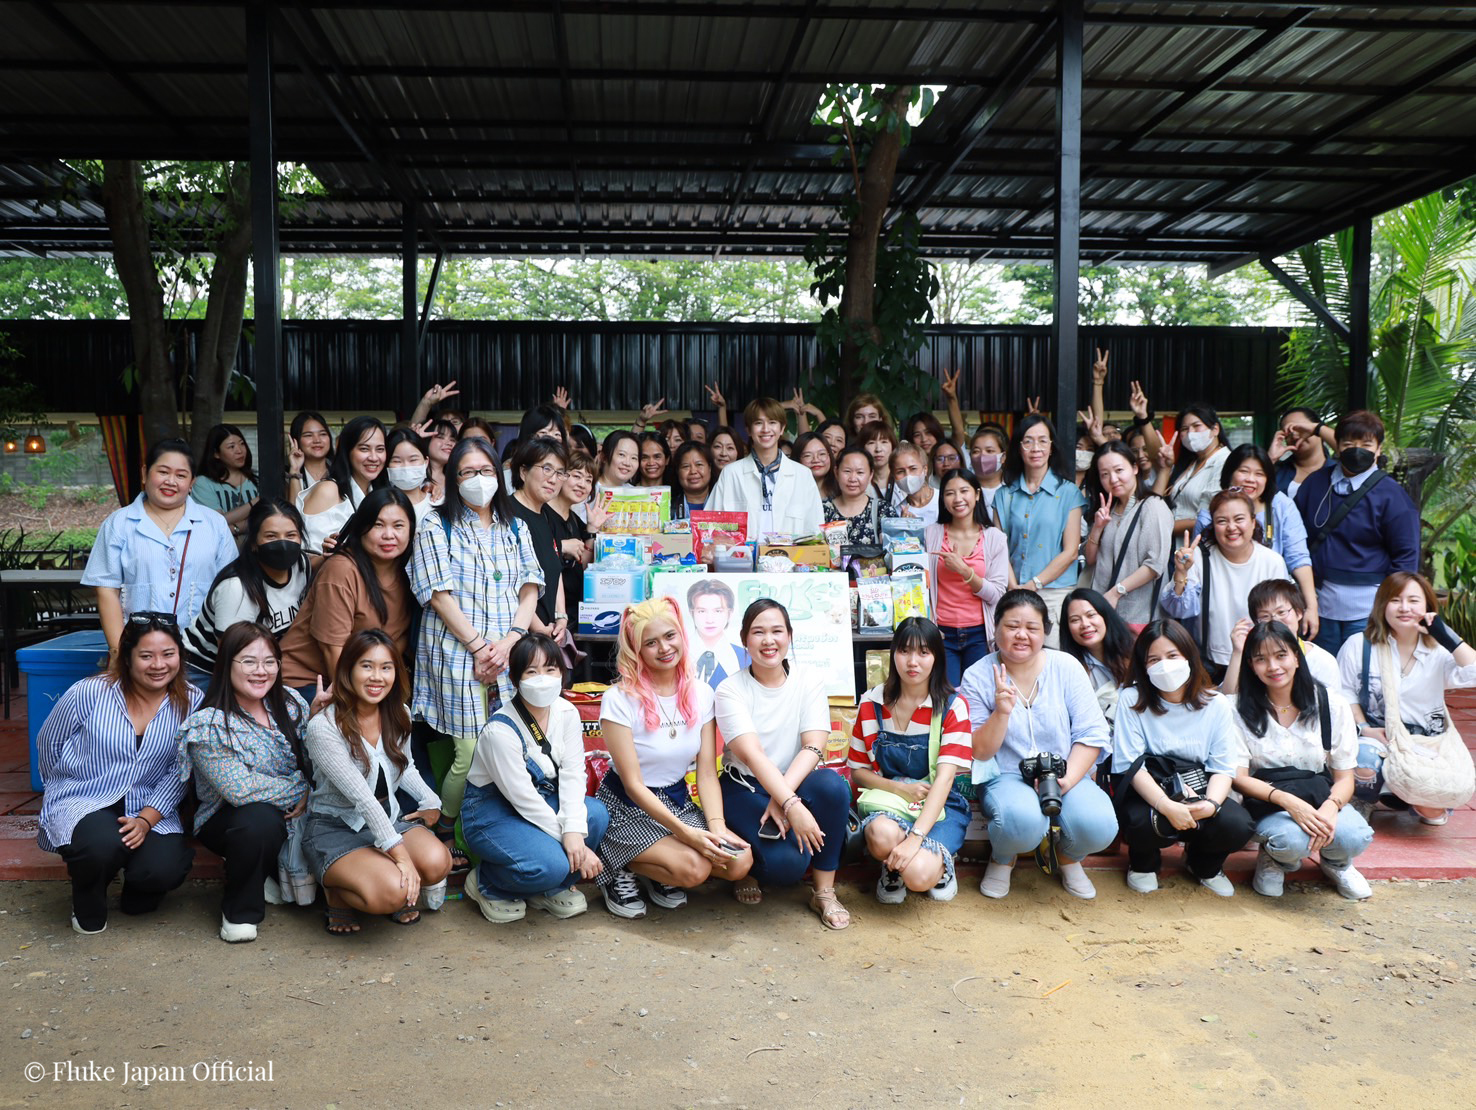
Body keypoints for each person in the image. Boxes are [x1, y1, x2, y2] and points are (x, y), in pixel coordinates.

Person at [410, 436, 544, 865]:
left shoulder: (515, 526)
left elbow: (530, 587)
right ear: (453, 478)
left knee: (506, 746)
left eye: (485, 470)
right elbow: (438, 594)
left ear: (499, 476)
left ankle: (492, 831)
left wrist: (508, 643)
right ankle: (447, 828)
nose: (478, 479)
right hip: (456, 655)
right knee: (468, 752)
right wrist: (480, 648)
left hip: (508, 653)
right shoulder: (435, 525)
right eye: (467, 472)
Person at [35, 614, 199, 934]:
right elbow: (49, 742)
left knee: (160, 873)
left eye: (168, 654)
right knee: (98, 846)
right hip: (87, 797)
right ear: (127, 657)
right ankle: (88, 895)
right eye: (146, 656)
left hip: (150, 804)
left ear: (180, 655)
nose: (158, 665)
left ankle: (133, 880)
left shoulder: (191, 701)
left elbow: (181, 769)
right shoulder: (90, 692)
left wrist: (146, 820)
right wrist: (59, 790)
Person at [596, 598, 752, 919]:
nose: (664, 648)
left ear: (682, 635)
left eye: (670, 636)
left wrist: (717, 827)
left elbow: (706, 774)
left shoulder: (702, 692)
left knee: (739, 862)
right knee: (695, 869)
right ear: (636, 651)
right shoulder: (619, 699)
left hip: (677, 801)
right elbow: (633, 785)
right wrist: (685, 834)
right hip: (628, 806)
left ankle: (661, 868)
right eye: (650, 642)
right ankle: (618, 867)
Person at [959, 590, 1117, 900]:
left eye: (1032, 627)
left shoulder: (1067, 667)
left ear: (1045, 631)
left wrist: (1067, 780)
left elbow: (1091, 733)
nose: (1022, 635)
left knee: (1099, 825)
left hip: (1065, 770)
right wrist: (1001, 712)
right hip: (1005, 774)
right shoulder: (977, 675)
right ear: (995, 628)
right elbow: (979, 751)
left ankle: (1067, 857)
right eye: (1012, 626)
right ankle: (1003, 857)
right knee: (1021, 821)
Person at [303, 630, 451, 934]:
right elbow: (362, 797)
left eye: (386, 667)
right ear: (348, 670)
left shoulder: (399, 713)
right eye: (366, 666)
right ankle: (336, 894)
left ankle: (384, 876)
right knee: (395, 889)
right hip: (337, 828)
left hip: (387, 818)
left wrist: (431, 801)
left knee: (438, 861)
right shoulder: (324, 727)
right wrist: (402, 858)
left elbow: (404, 767)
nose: (377, 677)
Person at [716, 600, 851, 927]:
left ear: (789, 636)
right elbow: (753, 755)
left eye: (777, 631)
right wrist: (789, 802)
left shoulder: (809, 680)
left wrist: (785, 798)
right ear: (744, 639)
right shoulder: (730, 689)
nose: (768, 640)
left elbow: (814, 746)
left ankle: (824, 891)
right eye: (758, 632)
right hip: (744, 787)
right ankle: (747, 871)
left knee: (833, 787)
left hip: (795, 781)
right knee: (788, 865)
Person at [459, 633, 610, 923]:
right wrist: (572, 841)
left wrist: (574, 831)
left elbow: (573, 773)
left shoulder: (566, 711)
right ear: (515, 680)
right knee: (551, 864)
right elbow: (523, 799)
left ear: (562, 673)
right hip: (493, 812)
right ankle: (488, 883)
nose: (542, 679)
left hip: (542, 798)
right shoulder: (500, 731)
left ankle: (552, 888)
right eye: (531, 671)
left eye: (550, 669)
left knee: (595, 815)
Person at [177, 621, 313, 941]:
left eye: (269, 662)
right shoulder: (209, 725)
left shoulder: (291, 703)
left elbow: (314, 761)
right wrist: (303, 790)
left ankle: (265, 869)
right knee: (258, 820)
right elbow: (241, 789)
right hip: (229, 820)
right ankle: (239, 912)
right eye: (249, 661)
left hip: (292, 813)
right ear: (227, 664)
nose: (260, 671)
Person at [1111, 620, 1255, 896]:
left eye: (1172, 655)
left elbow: (1223, 767)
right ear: (1143, 665)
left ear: (1188, 656)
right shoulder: (1131, 699)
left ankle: (1204, 865)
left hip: (1199, 784)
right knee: (1140, 821)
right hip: (1150, 787)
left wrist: (1211, 804)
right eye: (1154, 659)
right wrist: (1166, 805)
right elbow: (1131, 766)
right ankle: (1143, 864)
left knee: (1236, 825)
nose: (1164, 665)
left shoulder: (1216, 704)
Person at [1232, 621, 1373, 900]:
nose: (1273, 666)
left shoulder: (1331, 704)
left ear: (1297, 656)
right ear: (1250, 665)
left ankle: (1336, 863)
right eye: (1261, 659)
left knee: (1354, 836)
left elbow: (1345, 777)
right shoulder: (1236, 709)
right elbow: (1239, 777)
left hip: (1319, 794)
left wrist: (1330, 808)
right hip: (1267, 801)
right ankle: (1276, 858)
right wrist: (1289, 802)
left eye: (1281, 655)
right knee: (1291, 841)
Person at [848, 618, 973, 904]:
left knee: (918, 876)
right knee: (880, 835)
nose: (912, 661)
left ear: (936, 657)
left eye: (923, 652)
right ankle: (892, 866)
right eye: (904, 651)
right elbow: (858, 772)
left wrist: (915, 838)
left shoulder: (953, 706)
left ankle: (938, 866)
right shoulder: (872, 703)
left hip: (941, 806)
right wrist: (901, 789)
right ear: (893, 654)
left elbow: (945, 780)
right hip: (892, 802)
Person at [1338, 572, 1476, 823]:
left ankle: (1405, 795)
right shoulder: (1359, 645)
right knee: (1364, 762)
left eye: (1413, 600)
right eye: (1395, 600)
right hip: (1379, 736)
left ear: (1427, 606)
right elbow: (1344, 691)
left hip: (1425, 741)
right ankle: (1364, 798)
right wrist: (1364, 727)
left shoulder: (1438, 651)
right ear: (1382, 605)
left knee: (1432, 813)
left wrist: (1447, 636)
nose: (1404, 608)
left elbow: (1473, 674)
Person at [83, 437, 238, 654]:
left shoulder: (215, 524)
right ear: (145, 473)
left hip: (203, 654)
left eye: (181, 475)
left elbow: (230, 589)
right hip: (139, 654)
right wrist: (118, 652)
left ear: (192, 482)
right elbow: (106, 590)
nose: (171, 481)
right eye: (163, 472)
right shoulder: (118, 524)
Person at [1294, 410, 1421, 655]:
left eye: (1366, 445)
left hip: (1368, 610)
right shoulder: (1315, 483)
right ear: (1337, 446)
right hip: (1318, 606)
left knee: (1364, 671)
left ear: (1379, 449)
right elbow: (1295, 538)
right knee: (1322, 670)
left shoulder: (1392, 496)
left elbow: (1406, 557)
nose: (1357, 450)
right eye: (1349, 444)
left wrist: (1389, 606)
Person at [279, 488, 417, 699]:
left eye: (398, 526)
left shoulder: (410, 571)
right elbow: (333, 652)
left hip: (368, 681)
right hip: (309, 681)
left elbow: (397, 645)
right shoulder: (341, 570)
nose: (389, 535)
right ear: (361, 528)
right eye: (378, 525)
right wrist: (363, 707)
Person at [1192, 443, 1317, 636]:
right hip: (1220, 612)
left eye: (1259, 474)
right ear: (1229, 474)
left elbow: (1298, 558)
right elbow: (1198, 567)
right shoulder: (1211, 512)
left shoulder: (1281, 506)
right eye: (1244, 471)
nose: (1250, 479)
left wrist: (1311, 607)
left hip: (1269, 610)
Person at [1161, 489, 1289, 674]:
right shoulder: (1199, 558)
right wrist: (1181, 573)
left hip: (1260, 660)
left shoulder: (1272, 561)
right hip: (1210, 663)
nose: (1231, 527)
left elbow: (1281, 620)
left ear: (1253, 522)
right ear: (1213, 525)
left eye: (1239, 519)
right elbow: (1179, 610)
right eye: (1222, 521)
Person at [183, 498, 310, 672]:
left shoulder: (301, 565)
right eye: (271, 536)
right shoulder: (236, 588)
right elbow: (231, 660)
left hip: (262, 664)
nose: (283, 544)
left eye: (291, 535)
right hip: (208, 670)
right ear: (254, 543)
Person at [991, 414, 1086, 648]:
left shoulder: (1068, 492)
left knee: (1053, 658)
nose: (1036, 448)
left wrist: (1034, 584)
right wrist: (1014, 587)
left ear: (1052, 447)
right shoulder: (1004, 495)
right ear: (1019, 447)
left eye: (1043, 441)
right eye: (1028, 441)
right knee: (1015, 654)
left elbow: (1071, 552)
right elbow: (998, 548)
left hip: (1054, 594)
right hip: (1012, 592)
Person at [925, 469, 1008, 685]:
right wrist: (931, 627)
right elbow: (921, 587)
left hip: (980, 634)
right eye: (949, 493)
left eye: (964, 491)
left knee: (977, 696)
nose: (958, 498)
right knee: (947, 696)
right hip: (942, 634)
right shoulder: (930, 534)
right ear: (943, 500)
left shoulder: (995, 538)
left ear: (977, 494)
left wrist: (965, 571)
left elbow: (997, 595)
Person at [1082, 442, 1173, 628]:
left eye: (1119, 470)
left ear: (1135, 468)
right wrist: (1097, 528)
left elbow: (1155, 564)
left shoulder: (1153, 506)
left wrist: (1116, 592)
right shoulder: (1109, 509)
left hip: (1138, 615)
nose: (1113, 479)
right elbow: (1090, 559)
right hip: (1105, 614)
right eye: (1104, 474)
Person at [708, 397, 824, 539]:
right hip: (743, 553)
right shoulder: (731, 474)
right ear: (748, 430)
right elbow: (710, 527)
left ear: (782, 428)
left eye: (772, 422)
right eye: (758, 423)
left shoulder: (802, 475)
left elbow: (815, 530)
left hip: (791, 553)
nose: (765, 429)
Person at [1219, 578, 1341, 695]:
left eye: (1281, 612)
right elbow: (1229, 699)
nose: (1275, 620)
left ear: (1299, 612)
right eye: (1265, 616)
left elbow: (1330, 704)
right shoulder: (1253, 657)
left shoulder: (1322, 661)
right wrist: (1238, 652)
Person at [509, 438, 571, 642]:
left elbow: (556, 569)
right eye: (547, 469)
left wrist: (561, 616)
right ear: (523, 472)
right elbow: (511, 583)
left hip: (547, 633)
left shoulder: (548, 516)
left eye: (560, 472)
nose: (553, 479)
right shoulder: (507, 514)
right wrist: (538, 627)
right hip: (518, 633)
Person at [301, 415, 388, 555]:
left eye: (380, 449)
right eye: (364, 449)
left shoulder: (380, 492)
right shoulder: (328, 490)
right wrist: (326, 555)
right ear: (347, 451)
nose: (373, 457)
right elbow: (307, 555)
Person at [1059, 588, 1136, 725]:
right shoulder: (1068, 669)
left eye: (1091, 615)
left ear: (1105, 616)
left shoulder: (1136, 651)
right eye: (1075, 620)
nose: (1085, 624)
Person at [1162, 403, 1231, 539]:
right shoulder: (1191, 462)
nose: (1190, 433)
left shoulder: (1225, 462)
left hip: (1199, 545)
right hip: (1174, 543)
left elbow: (1211, 518)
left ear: (1215, 429)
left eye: (1196, 426)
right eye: (1184, 429)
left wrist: (1163, 527)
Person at [190, 423, 259, 540]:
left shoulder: (257, 479)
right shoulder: (203, 483)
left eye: (242, 444)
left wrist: (233, 528)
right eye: (231, 447)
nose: (239, 451)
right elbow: (216, 522)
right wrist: (255, 503)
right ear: (216, 453)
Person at [548, 450, 597, 611]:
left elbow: (583, 565)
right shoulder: (541, 514)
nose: (582, 484)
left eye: (588, 480)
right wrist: (561, 547)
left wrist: (592, 529)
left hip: (575, 610)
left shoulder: (575, 519)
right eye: (577, 476)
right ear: (561, 475)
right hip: (550, 612)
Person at [687, 579, 750, 690]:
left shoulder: (746, 658)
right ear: (691, 612)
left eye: (718, 611)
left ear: (730, 613)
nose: (709, 620)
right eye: (702, 611)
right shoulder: (676, 654)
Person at [821, 446, 883, 545]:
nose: (853, 479)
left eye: (860, 472)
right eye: (847, 471)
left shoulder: (882, 510)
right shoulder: (822, 509)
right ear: (836, 472)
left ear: (870, 475)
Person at [1271, 406, 1335, 498]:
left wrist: (1320, 429)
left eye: (1300, 429)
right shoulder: (1277, 471)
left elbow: (1348, 449)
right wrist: (1271, 458)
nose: (1295, 436)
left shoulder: (1339, 470)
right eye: (1288, 433)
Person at [384, 426, 434, 527]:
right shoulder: (379, 506)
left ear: (426, 462)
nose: (406, 467)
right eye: (397, 461)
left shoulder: (439, 503)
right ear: (387, 464)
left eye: (413, 460)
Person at [286, 410, 334, 507]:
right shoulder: (286, 477)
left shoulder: (341, 471)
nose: (317, 440)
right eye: (308, 435)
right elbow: (293, 512)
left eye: (323, 434)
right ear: (295, 440)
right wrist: (295, 470)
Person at [890, 442, 940, 525]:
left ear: (925, 469)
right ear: (894, 476)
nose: (908, 475)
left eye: (913, 468)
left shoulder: (942, 499)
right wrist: (902, 526)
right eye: (900, 471)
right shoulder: (897, 512)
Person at [667, 440, 717, 519]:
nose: (693, 471)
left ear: (709, 468)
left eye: (699, 464)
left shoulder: (722, 504)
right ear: (677, 471)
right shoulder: (667, 508)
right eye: (686, 466)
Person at [968, 424, 1009, 514]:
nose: (982, 456)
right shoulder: (964, 489)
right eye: (976, 451)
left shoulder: (1013, 488)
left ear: (1003, 457)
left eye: (989, 451)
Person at [857, 420, 898, 499]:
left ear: (892, 447)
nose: (878, 449)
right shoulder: (857, 483)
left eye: (884, 442)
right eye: (871, 443)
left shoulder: (903, 480)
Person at [595, 429, 641, 497]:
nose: (627, 463)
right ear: (604, 457)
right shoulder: (588, 491)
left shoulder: (636, 494)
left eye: (634, 458)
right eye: (621, 455)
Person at [424, 417, 458, 505]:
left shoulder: (457, 479)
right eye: (441, 437)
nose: (449, 443)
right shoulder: (413, 475)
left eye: (452, 440)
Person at [792, 432, 833, 498]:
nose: (816, 460)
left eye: (822, 454)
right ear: (797, 459)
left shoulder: (842, 490)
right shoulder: (790, 492)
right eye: (807, 455)